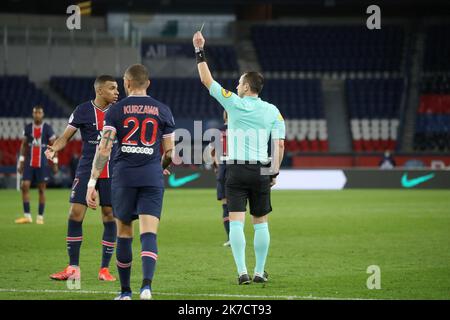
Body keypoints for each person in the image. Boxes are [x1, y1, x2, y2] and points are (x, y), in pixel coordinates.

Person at [193, 31, 286, 285]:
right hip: (261, 170)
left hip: (234, 169)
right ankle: (259, 271)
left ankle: (242, 272)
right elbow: (279, 144)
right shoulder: (273, 111)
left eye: (239, 82)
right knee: (261, 223)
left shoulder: (233, 103)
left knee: (235, 221)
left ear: (246, 87)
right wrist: (274, 172)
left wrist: (199, 49)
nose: (235, 85)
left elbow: (206, 79)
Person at [85, 64, 175, 300]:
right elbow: (170, 154)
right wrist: (159, 167)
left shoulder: (116, 110)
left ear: (126, 82)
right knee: (149, 233)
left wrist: (92, 182)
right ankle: (146, 287)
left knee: (124, 232)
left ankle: (125, 292)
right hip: (151, 177)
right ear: (148, 83)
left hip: (123, 177)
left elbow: (103, 149)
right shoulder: (163, 110)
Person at [45, 75, 119, 282]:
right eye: (112, 88)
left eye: (117, 88)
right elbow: (65, 137)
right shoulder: (82, 110)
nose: (116, 92)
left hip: (113, 169)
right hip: (87, 168)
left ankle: (104, 269)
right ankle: (73, 268)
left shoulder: (120, 110)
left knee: (109, 216)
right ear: (100, 90)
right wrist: (53, 149)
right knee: (75, 213)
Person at [15, 105, 58, 225]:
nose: (37, 115)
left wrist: (54, 162)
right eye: (35, 113)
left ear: (42, 114)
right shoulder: (28, 128)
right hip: (29, 163)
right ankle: (27, 216)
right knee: (24, 186)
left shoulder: (48, 128)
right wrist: (21, 161)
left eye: (39, 113)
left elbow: (54, 145)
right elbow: (24, 145)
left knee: (41, 190)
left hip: (42, 164)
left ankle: (40, 217)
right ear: (33, 114)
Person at [209, 111, 230, 246]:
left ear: (224, 117)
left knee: (225, 204)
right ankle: (237, 237)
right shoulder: (242, 130)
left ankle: (230, 238)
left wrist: (217, 167)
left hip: (223, 167)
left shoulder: (218, 132)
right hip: (240, 167)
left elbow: (212, 151)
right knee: (238, 206)